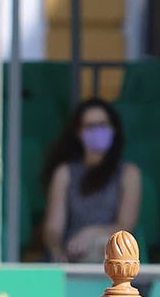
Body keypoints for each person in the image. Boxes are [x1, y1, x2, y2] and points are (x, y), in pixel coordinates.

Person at [41, 99, 143, 262]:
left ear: (113, 129)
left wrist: (92, 233)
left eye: (103, 125)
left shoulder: (129, 173)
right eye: (90, 126)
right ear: (78, 133)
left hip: (113, 258)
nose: (97, 131)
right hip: (70, 254)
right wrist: (56, 251)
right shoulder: (64, 173)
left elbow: (125, 226)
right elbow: (53, 229)